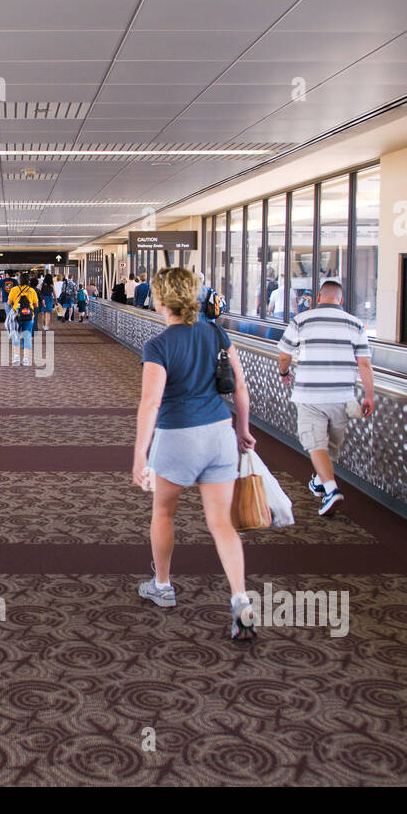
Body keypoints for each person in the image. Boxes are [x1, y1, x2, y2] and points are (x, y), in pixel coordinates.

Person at [132, 267, 258, 640]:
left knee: (164, 512)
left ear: (161, 300)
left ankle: (163, 585)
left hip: (178, 436)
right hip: (219, 434)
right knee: (222, 523)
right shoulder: (216, 333)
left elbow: (151, 402)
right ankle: (239, 599)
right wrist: (243, 429)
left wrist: (140, 454)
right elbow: (240, 388)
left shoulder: (158, 345)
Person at [277, 276, 375, 516]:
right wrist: (369, 396)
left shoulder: (301, 320)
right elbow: (364, 364)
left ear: (319, 298)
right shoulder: (355, 325)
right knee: (330, 446)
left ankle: (331, 490)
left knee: (315, 444)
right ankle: (321, 482)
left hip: (309, 395)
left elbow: (284, 354)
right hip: (342, 396)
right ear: (341, 300)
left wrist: (284, 372)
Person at [7, 274, 40, 367]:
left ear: (19, 280)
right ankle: (25, 359)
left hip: (16, 316)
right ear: (28, 281)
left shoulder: (14, 289)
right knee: (27, 336)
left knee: (15, 336)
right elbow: (36, 304)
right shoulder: (32, 290)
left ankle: (16, 357)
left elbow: (9, 302)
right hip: (29, 316)